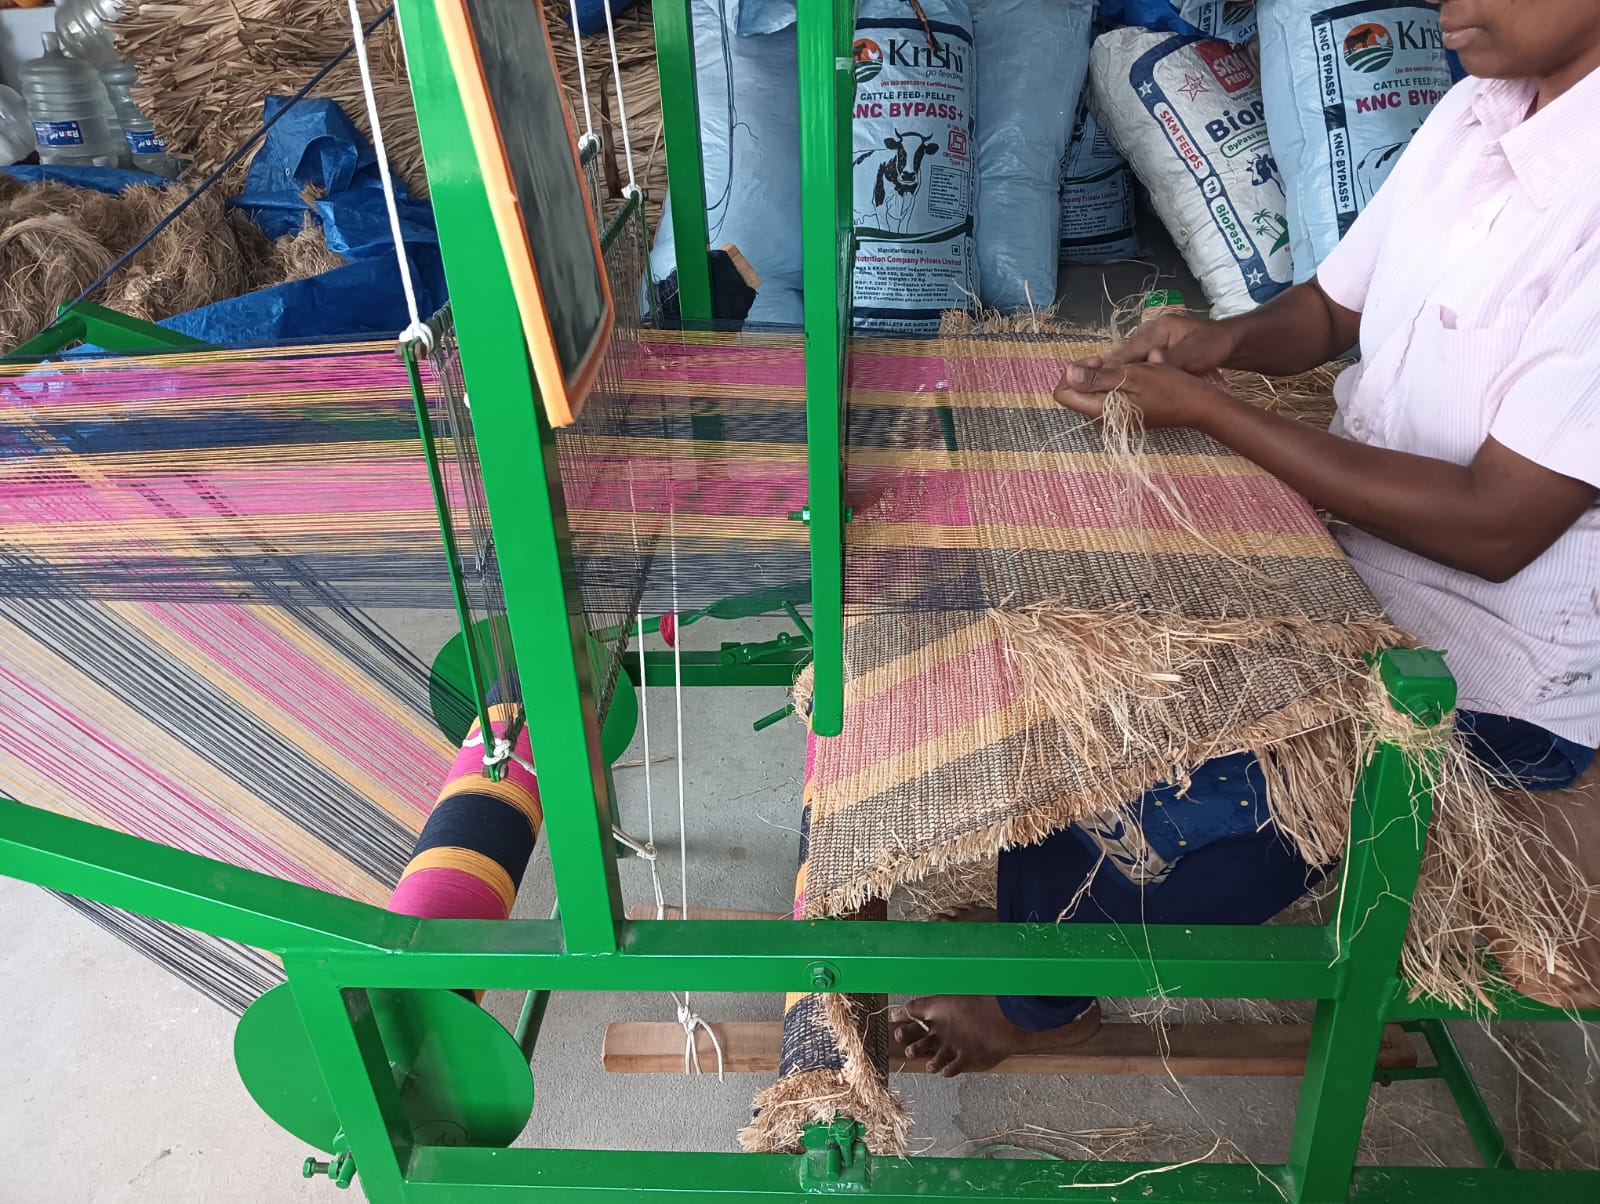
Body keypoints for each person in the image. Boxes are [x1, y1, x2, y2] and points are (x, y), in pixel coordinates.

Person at [893, 0, 1600, 1076]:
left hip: (1487, 657)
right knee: (1070, 658)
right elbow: (1331, 307)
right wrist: (1217, 343)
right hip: (1350, 554)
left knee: (1167, 811)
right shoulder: (1475, 112)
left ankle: (1041, 994)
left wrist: (1220, 414)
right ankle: (1042, 946)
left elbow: (1498, 526)